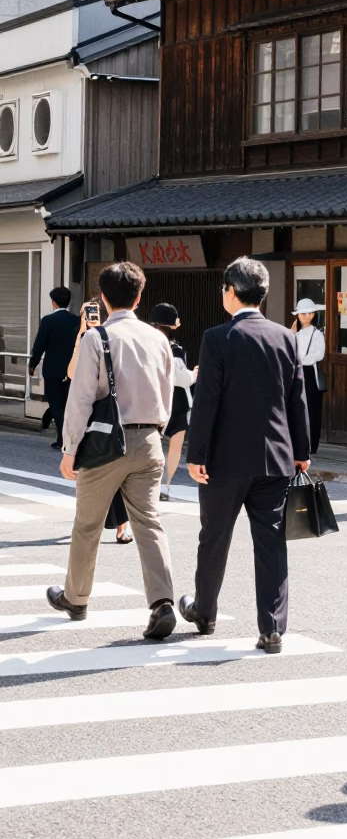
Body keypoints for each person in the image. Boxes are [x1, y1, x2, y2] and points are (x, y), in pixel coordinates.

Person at [179, 257, 310, 654]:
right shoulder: (285, 338)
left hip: (224, 459)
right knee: (271, 541)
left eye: (223, 289)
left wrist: (196, 453)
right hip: (275, 456)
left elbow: (207, 402)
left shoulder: (217, 338)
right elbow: (296, 399)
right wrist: (301, 451)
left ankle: (205, 612)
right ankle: (271, 629)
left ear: (231, 292)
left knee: (214, 537)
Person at [47, 262, 177, 640]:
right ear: (139, 297)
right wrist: (156, 430)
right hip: (149, 439)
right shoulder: (158, 339)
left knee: (87, 524)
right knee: (149, 522)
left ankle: (77, 598)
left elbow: (81, 397)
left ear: (103, 298)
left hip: (105, 443)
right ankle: (162, 603)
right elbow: (167, 392)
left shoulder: (96, 338)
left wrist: (70, 448)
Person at [65, 300, 133, 545]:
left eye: (93, 311)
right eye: (86, 312)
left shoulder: (113, 337)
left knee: (113, 472)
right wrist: (82, 334)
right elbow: (72, 373)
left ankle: (122, 526)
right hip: (88, 416)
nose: (91, 315)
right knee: (88, 473)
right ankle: (87, 524)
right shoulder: (87, 338)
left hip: (110, 413)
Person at [149, 303, 198, 501]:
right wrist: (195, 374)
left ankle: (151, 484)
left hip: (151, 400)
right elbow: (181, 379)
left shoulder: (145, 343)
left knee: (153, 445)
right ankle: (165, 486)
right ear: (174, 324)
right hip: (176, 401)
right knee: (175, 446)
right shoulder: (174, 349)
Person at [28, 286, 80, 451]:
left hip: (52, 370)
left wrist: (32, 364)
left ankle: (62, 438)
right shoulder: (77, 320)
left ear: (54, 302)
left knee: (56, 403)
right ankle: (59, 428)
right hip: (72, 370)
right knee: (67, 403)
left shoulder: (48, 321)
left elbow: (40, 345)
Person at [291, 298, 325, 456]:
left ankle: (313, 445)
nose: (304, 316)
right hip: (296, 372)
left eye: (307, 313)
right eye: (301, 314)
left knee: (312, 409)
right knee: (296, 407)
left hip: (310, 373)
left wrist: (301, 360)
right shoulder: (294, 334)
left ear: (313, 315)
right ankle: (298, 444)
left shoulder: (318, 334)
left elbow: (319, 355)